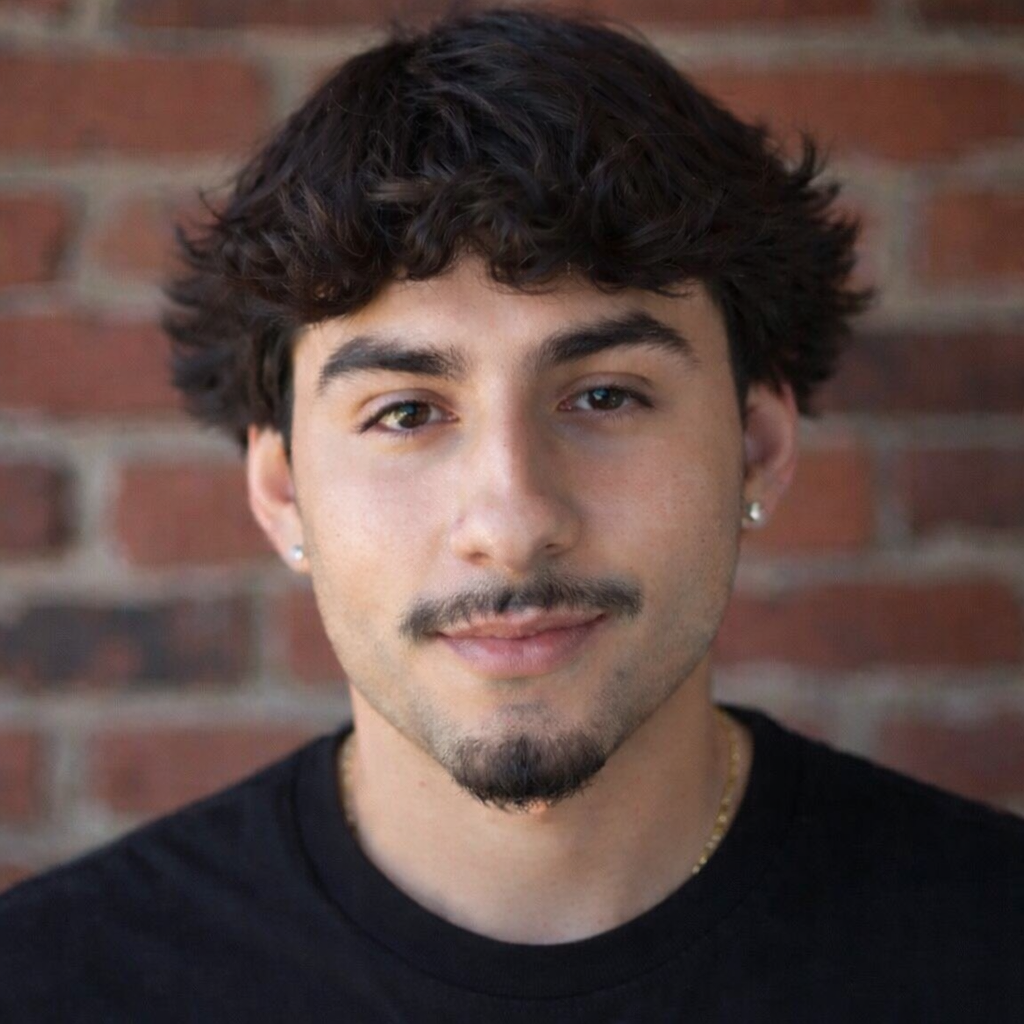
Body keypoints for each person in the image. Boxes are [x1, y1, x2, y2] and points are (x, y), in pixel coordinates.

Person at [1, 6, 1021, 1021]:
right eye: (404, 412)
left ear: (755, 443)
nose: (513, 517)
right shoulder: (52, 982)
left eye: (604, 395)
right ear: (281, 491)